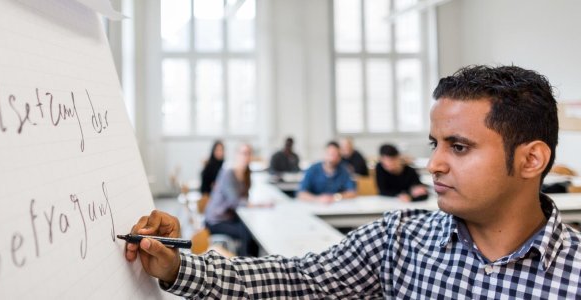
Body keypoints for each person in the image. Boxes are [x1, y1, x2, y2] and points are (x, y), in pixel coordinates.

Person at [124, 66, 581, 298]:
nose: (434, 164)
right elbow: (295, 281)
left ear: (531, 159)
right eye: (434, 144)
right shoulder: (400, 240)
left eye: (458, 147)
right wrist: (177, 266)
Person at [203, 143, 259, 257]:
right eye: (243, 153)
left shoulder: (246, 173)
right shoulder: (228, 173)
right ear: (236, 155)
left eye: (249, 153)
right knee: (247, 232)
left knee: (252, 229)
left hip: (228, 217)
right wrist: (258, 205)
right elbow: (235, 202)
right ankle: (244, 264)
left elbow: (243, 198)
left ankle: (252, 260)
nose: (246, 156)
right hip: (215, 221)